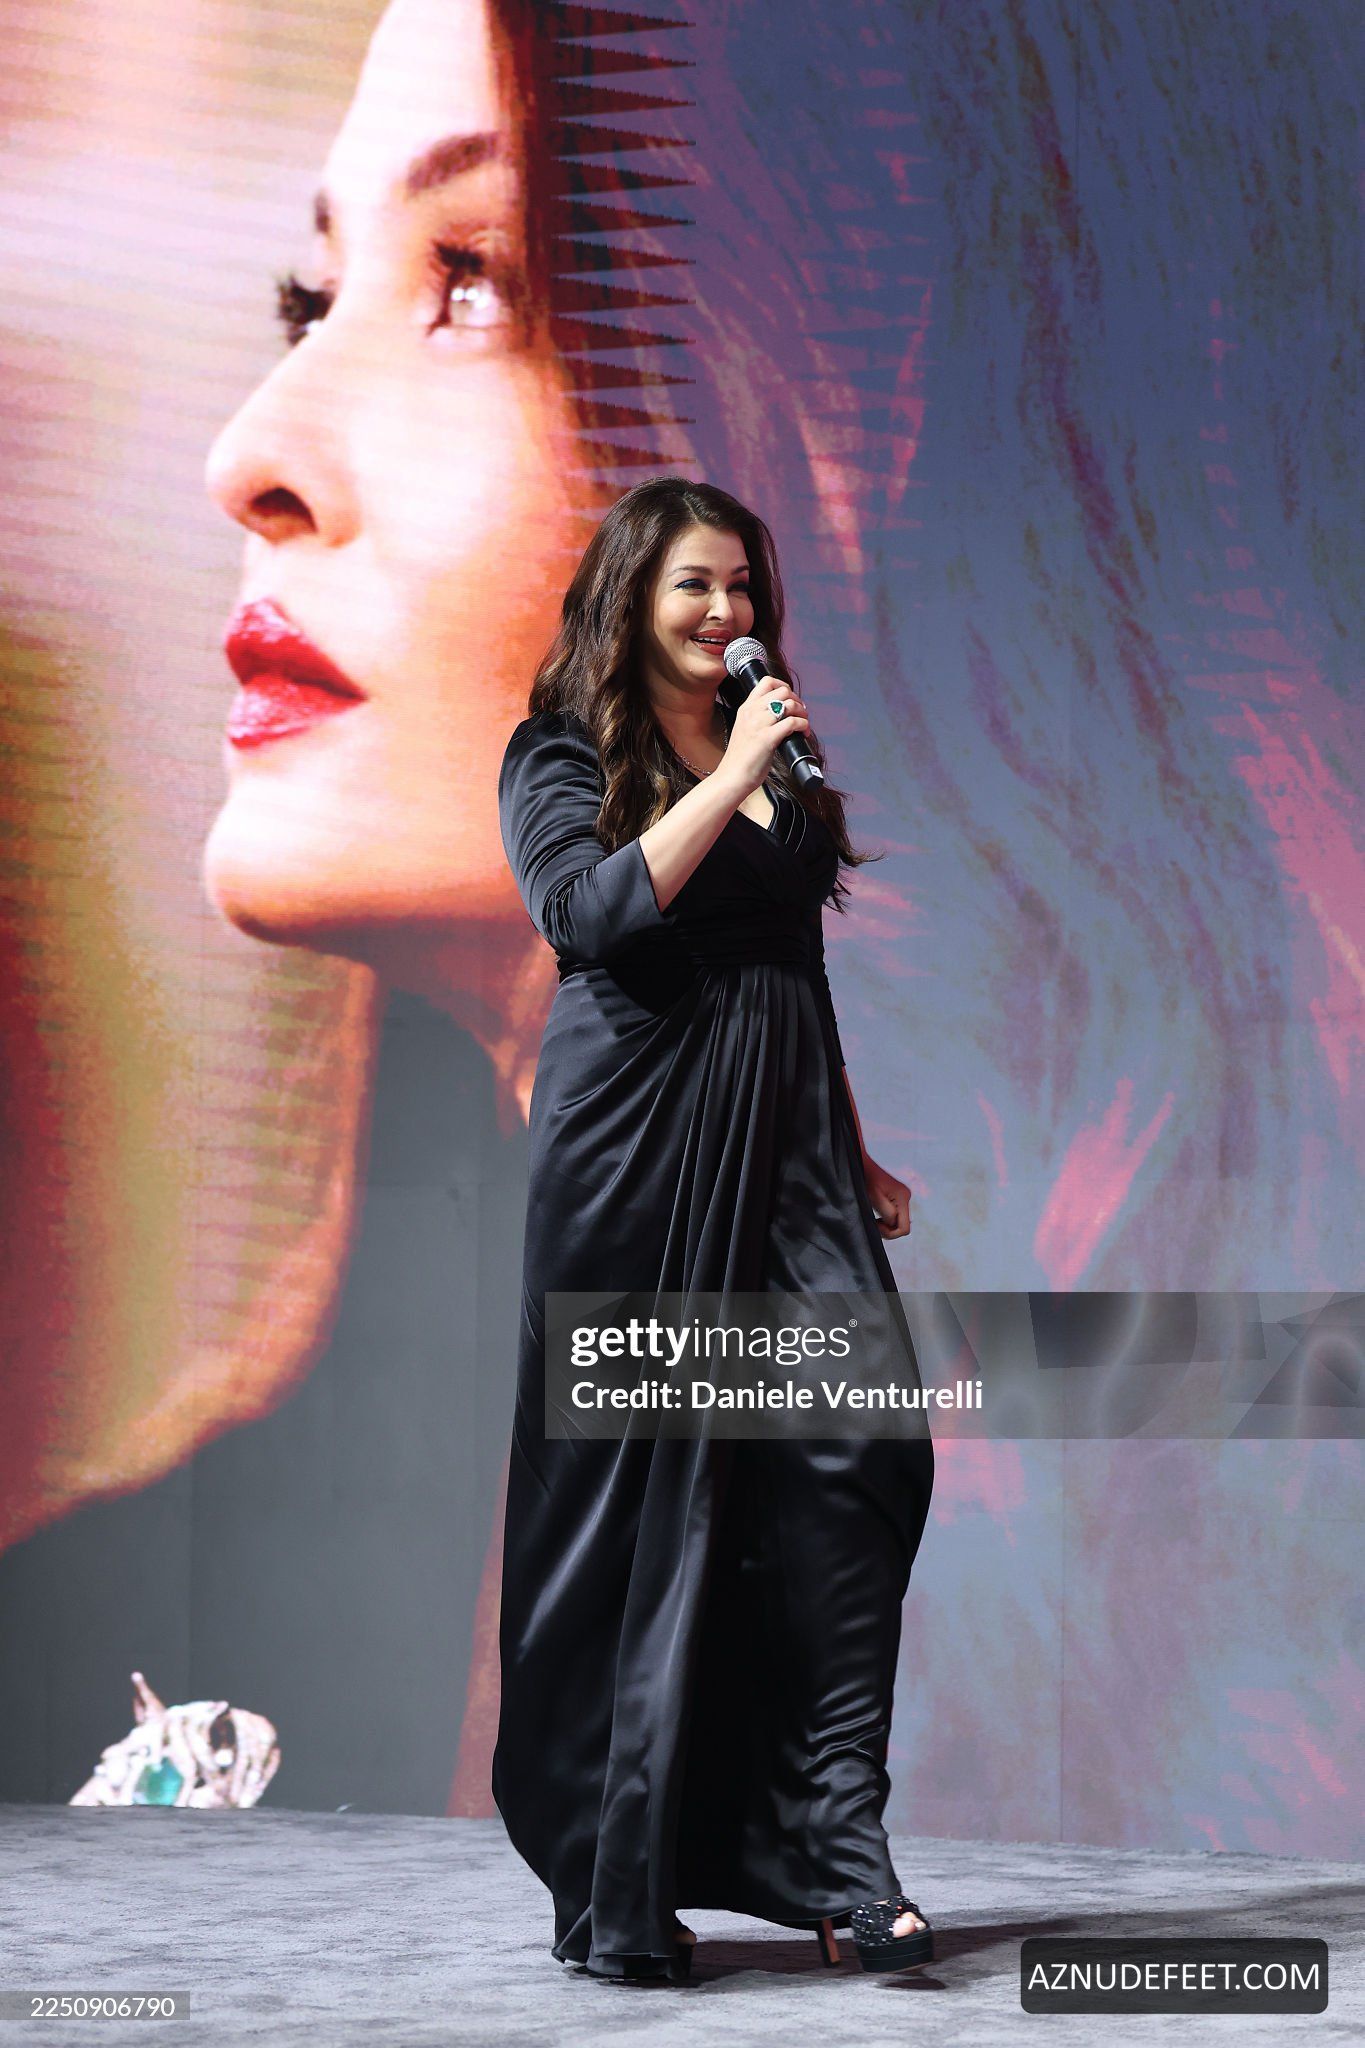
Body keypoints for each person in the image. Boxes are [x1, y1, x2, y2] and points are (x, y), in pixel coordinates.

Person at [492, 475, 936, 1983]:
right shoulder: (561, 751)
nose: (724, 611)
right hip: (635, 1154)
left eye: (741, 586)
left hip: (786, 1147)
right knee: (639, 1509)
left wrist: (848, 1144)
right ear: (630, 596)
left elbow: (789, 960)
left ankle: (839, 1857)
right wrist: (729, 771)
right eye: (693, 584)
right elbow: (587, 916)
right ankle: (617, 1877)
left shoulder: (773, 748)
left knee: (862, 1453)